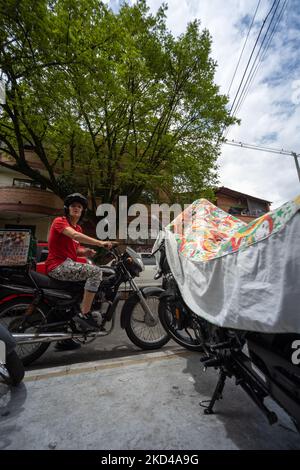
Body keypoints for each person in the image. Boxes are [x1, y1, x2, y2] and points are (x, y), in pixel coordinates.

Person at [45, 193, 113, 350]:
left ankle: (66, 336)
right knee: (95, 272)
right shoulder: (60, 222)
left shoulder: (78, 227)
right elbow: (75, 236)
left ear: (82, 211)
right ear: (67, 209)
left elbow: (75, 250)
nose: (76, 208)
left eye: (79, 207)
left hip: (67, 264)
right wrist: (100, 243)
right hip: (58, 266)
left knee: (77, 293)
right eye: (73, 206)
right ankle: (85, 314)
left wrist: (86, 252)